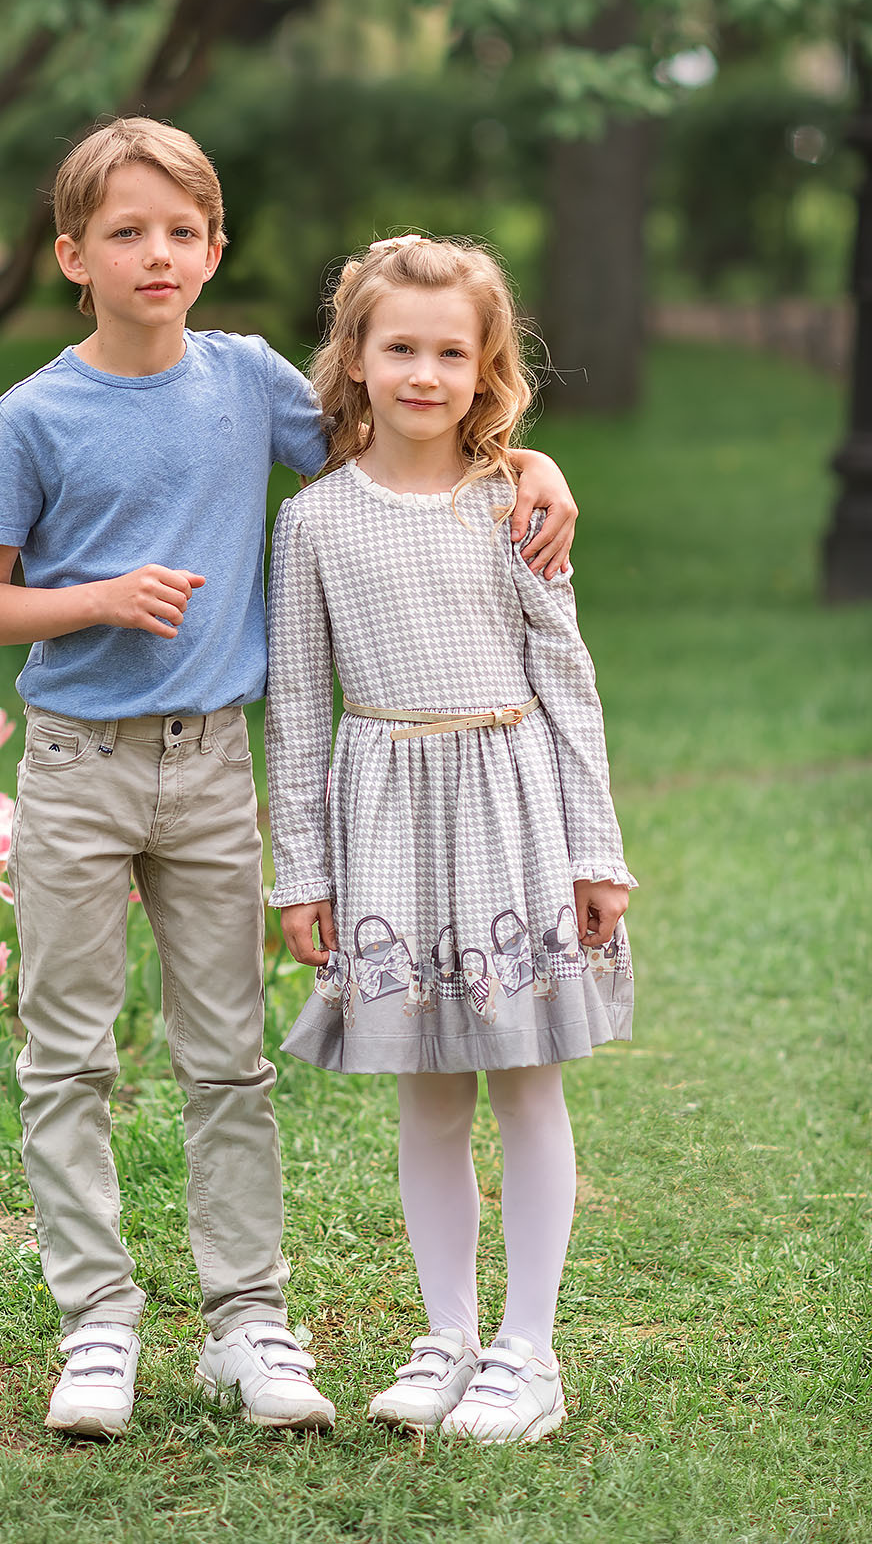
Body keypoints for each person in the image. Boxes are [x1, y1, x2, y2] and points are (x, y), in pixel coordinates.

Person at [0, 125, 580, 1439]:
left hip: (208, 768)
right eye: (126, 232)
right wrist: (99, 600)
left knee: (226, 1061)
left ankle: (247, 1323)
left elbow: (395, 435)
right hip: (76, 767)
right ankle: (98, 1325)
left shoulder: (244, 379)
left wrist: (529, 460)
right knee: (67, 1057)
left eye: (181, 232)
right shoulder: (32, 416)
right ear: (71, 256)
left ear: (214, 249)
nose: (157, 254)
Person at [266, 234, 635, 1446]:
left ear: (485, 368)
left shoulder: (512, 506)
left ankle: (528, 1352)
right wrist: (302, 871)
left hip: (509, 807)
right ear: (354, 360)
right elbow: (296, 707)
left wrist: (593, 850)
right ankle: (447, 1338)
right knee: (426, 1094)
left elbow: (567, 680)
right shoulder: (312, 523)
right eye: (398, 349)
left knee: (524, 1082)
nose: (422, 374)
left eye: (448, 352)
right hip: (384, 817)